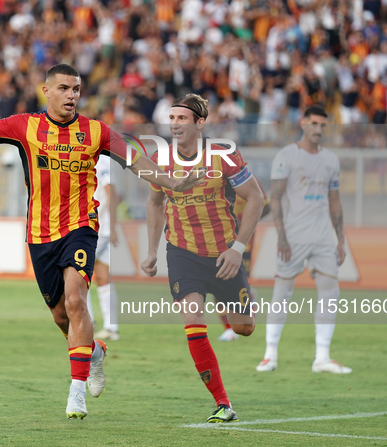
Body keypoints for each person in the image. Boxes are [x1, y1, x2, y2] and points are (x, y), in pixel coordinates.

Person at [0, 64, 202, 420]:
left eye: (76, 89)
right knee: (62, 315)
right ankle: (93, 351)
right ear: (46, 91)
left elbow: (137, 160)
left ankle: (75, 393)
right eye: (64, 88)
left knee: (78, 299)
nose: (72, 95)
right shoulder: (24, 126)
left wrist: (173, 182)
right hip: (39, 234)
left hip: (81, 226)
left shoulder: (96, 132)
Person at [141, 93, 264, 423]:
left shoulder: (223, 155)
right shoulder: (160, 158)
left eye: (182, 118)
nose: (175, 124)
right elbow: (154, 203)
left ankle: (238, 299)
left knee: (244, 328)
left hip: (223, 254)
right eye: (172, 118)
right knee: (193, 322)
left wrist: (238, 249)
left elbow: (256, 198)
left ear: (199, 123)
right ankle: (223, 402)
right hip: (181, 252)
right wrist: (152, 251)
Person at [256, 104, 352, 375]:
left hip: (323, 236)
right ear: (303, 123)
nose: (319, 129)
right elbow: (274, 198)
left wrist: (340, 240)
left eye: (323, 125)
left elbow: (335, 201)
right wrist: (281, 236)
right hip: (294, 235)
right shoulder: (286, 156)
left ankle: (322, 357)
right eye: (314, 123)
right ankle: (269, 355)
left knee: (330, 291)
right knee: (282, 292)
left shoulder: (331, 160)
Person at [217, 179, 270, 342]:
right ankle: (228, 328)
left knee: (237, 283)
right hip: (219, 240)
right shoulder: (213, 180)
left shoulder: (248, 181)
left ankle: (246, 309)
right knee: (218, 282)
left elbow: (266, 207)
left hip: (243, 242)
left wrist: (247, 220)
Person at [86, 155, 120, 341]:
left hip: (97, 228)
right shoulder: (99, 159)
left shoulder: (100, 160)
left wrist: (112, 226)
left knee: (77, 273)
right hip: (101, 228)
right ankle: (111, 327)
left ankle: (87, 323)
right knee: (102, 275)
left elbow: (112, 192)